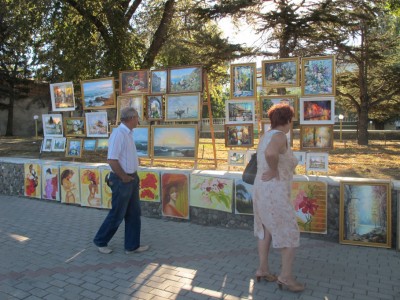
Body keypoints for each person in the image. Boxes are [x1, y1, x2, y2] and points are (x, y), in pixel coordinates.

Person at [252, 103, 304, 292]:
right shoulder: (280, 136)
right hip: (274, 191)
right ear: (288, 120)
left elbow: (267, 153)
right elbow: (271, 153)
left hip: (260, 189)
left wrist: (272, 169)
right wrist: (274, 170)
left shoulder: (266, 135)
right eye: (292, 120)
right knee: (290, 232)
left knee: (265, 229)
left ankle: (263, 269)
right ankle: (286, 277)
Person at [93, 107, 149, 255]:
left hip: (131, 178)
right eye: (137, 117)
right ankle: (100, 241)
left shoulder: (128, 133)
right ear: (131, 118)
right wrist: (124, 177)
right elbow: (112, 160)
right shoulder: (119, 133)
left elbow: (124, 156)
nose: (138, 120)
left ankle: (132, 246)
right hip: (122, 180)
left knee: (134, 213)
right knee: (117, 214)